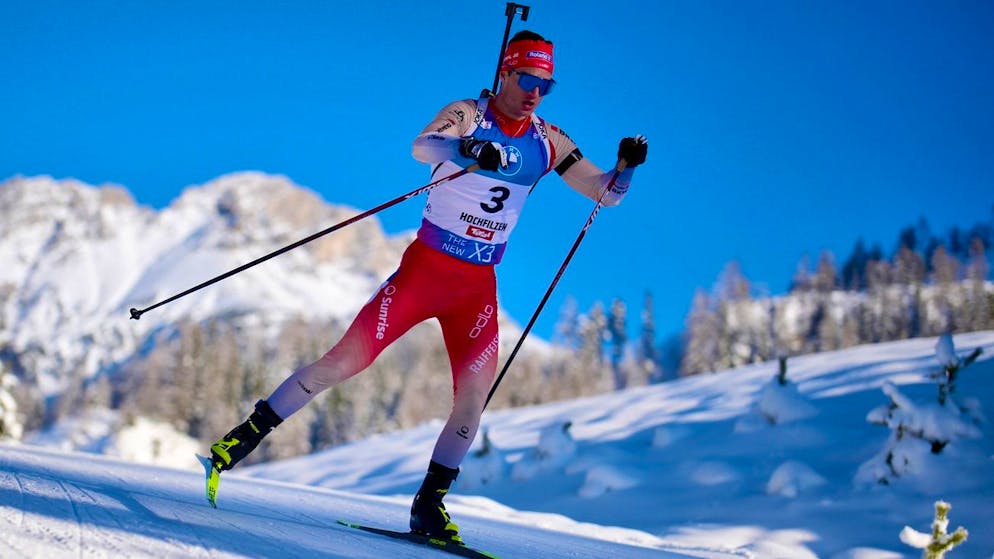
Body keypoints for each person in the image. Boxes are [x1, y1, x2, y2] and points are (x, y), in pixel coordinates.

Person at [206, 30, 647, 542]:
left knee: (474, 397)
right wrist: (468, 149)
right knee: (345, 361)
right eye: (527, 79)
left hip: (477, 286)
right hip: (426, 271)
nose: (534, 93)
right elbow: (422, 146)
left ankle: (429, 506)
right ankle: (237, 442)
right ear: (505, 73)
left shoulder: (550, 141)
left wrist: (625, 169)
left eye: (545, 85)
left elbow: (604, 194)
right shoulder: (466, 114)